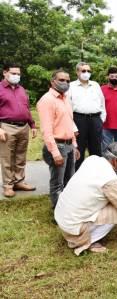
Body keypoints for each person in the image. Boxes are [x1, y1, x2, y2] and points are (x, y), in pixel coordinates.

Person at [54, 142, 117, 255]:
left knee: (111, 202)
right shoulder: (110, 180)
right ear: (115, 160)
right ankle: (88, 241)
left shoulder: (92, 160)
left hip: (62, 218)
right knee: (116, 210)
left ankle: (80, 233)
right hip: (73, 226)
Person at [37, 69, 80, 208]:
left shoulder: (66, 99)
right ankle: (58, 212)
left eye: (68, 80)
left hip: (68, 146)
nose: (65, 83)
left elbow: (69, 123)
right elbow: (46, 131)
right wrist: (55, 153)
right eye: (61, 80)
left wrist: (74, 145)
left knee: (70, 181)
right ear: (52, 81)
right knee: (57, 184)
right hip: (57, 146)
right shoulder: (47, 100)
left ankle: (67, 210)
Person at [0, 63, 37, 197]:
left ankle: (19, 181)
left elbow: (27, 109)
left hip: (23, 127)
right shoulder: (0, 89)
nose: (16, 76)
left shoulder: (22, 89)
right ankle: (8, 185)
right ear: (5, 73)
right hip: (6, 126)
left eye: (18, 74)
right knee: (7, 158)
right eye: (13, 73)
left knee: (20, 156)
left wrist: (32, 125)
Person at [68, 62, 106, 170]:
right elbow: (67, 107)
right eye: (83, 71)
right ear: (77, 72)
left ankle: (95, 174)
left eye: (88, 71)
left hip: (95, 120)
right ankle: (77, 174)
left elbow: (102, 104)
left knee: (96, 150)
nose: (86, 73)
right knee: (79, 148)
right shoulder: (71, 86)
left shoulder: (95, 85)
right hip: (79, 120)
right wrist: (73, 126)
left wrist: (101, 119)